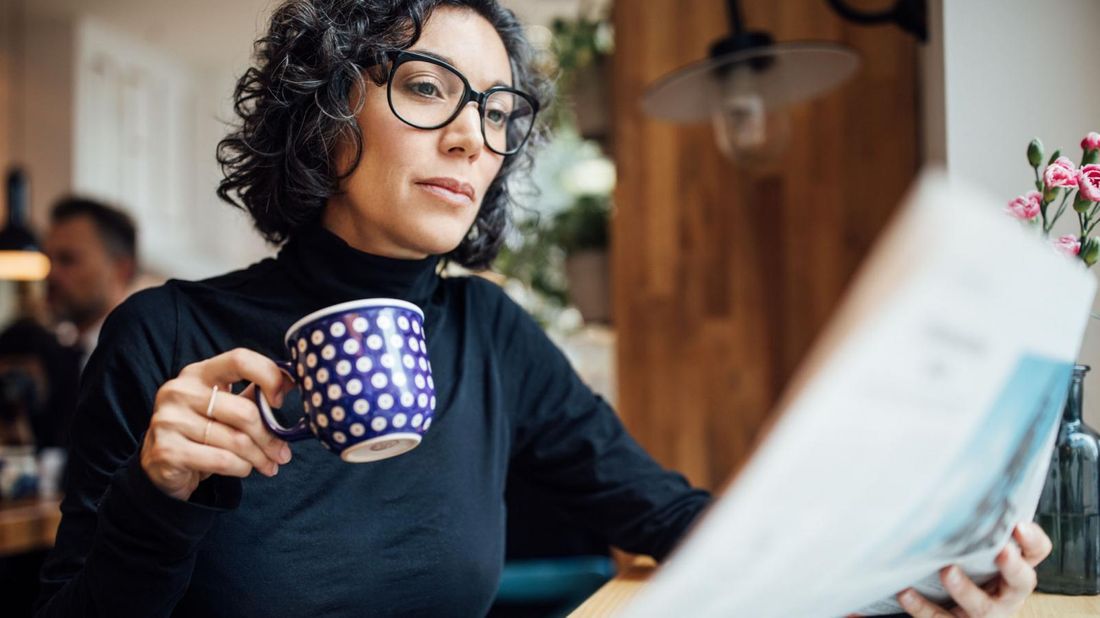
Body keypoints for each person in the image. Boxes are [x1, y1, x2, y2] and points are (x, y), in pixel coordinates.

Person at [34, 1, 1050, 616]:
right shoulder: (165, 340)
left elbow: (669, 518)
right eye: (429, 89)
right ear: (326, 106)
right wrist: (155, 496)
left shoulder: (489, 337)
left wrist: (920, 568)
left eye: (496, 110)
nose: (474, 139)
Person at [42, 197, 137, 370]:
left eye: (67, 260)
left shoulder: (140, 359)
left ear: (121, 270)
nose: (50, 274)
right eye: (48, 260)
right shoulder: (54, 355)